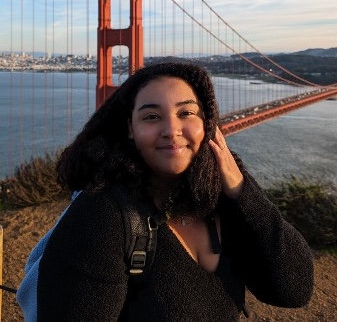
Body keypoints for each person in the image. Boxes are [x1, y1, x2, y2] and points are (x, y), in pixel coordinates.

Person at [17, 62, 313, 321]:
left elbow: (294, 289)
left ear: (207, 125)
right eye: (151, 116)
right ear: (130, 129)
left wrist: (240, 190)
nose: (172, 130)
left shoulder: (222, 197)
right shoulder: (102, 216)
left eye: (186, 112)